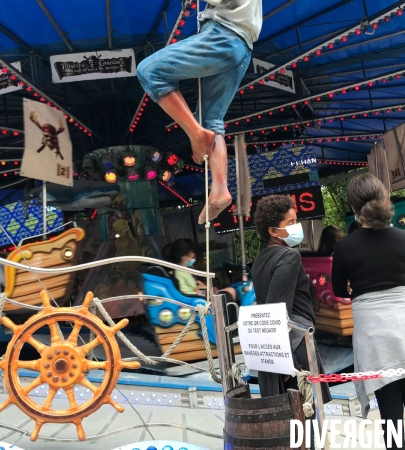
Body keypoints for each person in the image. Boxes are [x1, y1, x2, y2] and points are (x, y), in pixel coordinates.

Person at [331, 175, 405, 450]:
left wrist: (356, 289)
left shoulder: (345, 246)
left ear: (355, 209)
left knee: (391, 416)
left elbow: (338, 290)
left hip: (375, 336)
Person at [137, 0, 263, 225]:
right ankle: (220, 189)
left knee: (148, 71)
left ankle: (195, 133)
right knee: (212, 119)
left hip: (223, 35)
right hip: (242, 46)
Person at [252, 195, 332, 417]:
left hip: (271, 346)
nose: (296, 227)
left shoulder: (260, 259)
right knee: (306, 416)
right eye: (290, 223)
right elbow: (277, 310)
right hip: (293, 343)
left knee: (284, 420)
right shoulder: (289, 256)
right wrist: (287, 362)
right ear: (273, 231)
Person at [162, 238, 237, 302]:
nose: (194, 257)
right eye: (192, 256)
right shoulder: (178, 274)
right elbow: (188, 295)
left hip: (199, 297)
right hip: (196, 301)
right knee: (231, 292)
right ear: (184, 257)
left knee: (229, 290)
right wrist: (201, 289)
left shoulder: (184, 270)